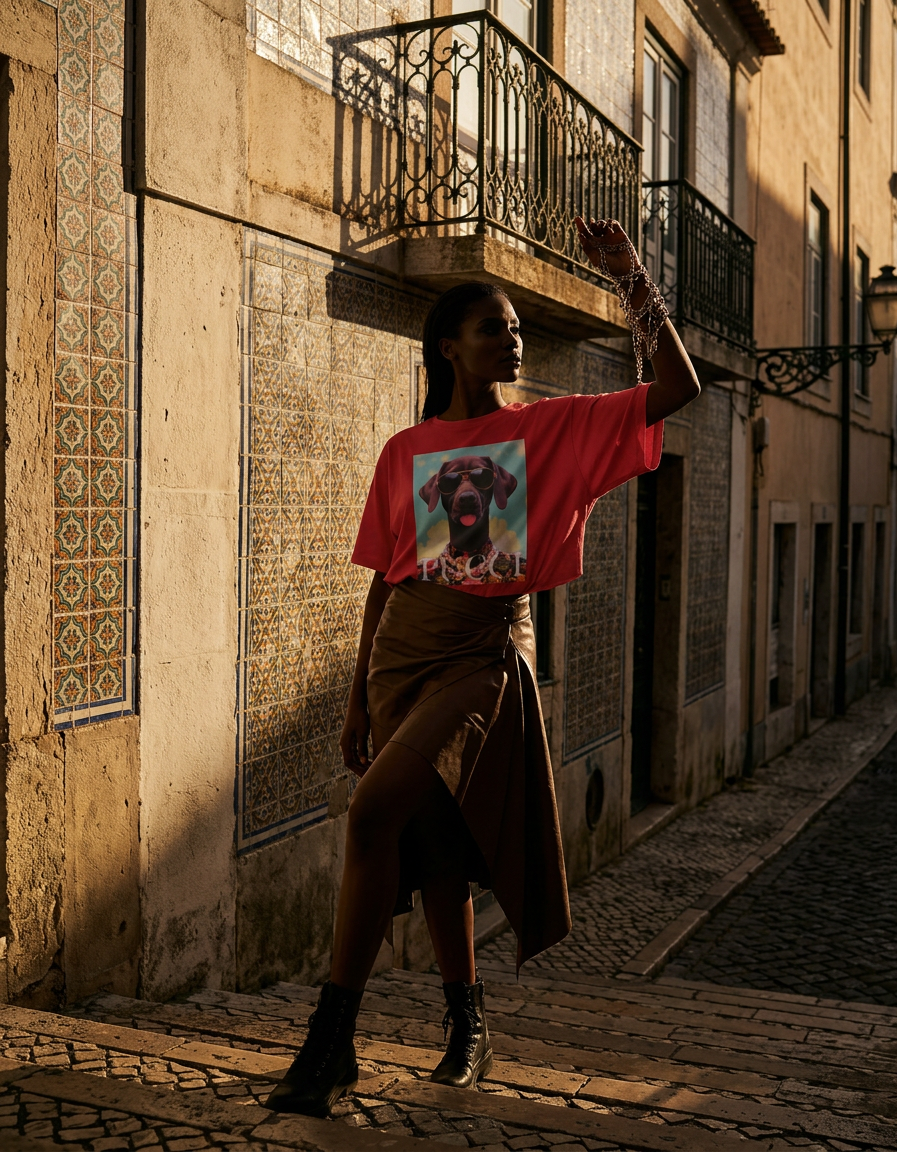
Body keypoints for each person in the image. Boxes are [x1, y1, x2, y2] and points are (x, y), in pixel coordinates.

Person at [266, 218, 701, 1117]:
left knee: (372, 811)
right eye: (492, 327)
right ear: (448, 347)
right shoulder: (405, 450)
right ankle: (467, 1024)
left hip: (485, 653)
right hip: (402, 657)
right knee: (433, 845)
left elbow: (676, 387)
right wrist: (355, 699)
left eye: (515, 328)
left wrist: (632, 278)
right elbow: (386, 580)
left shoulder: (549, 429)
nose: (512, 339)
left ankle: (331, 1039)